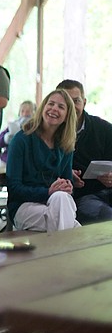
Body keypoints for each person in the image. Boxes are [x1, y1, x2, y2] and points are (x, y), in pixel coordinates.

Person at [6, 89, 80, 232]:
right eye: (50, 104)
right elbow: (14, 188)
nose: (54, 109)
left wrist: (67, 187)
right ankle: (63, 250)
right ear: (43, 108)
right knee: (77, 232)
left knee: (61, 198)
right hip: (24, 206)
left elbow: (66, 186)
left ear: (67, 116)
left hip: (56, 204)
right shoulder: (21, 140)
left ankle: (57, 252)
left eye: (61, 107)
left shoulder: (66, 145)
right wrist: (48, 191)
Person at [56, 80, 112, 225]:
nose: (72, 106)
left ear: (84, 102)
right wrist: (67, 174)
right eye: (67, 101)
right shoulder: (50, 132)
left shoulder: (104, 129)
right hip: (80, 197)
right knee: (107, 216)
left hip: (107, 190)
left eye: (76, 101)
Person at [0, 100, 35, 164]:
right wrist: (6, 138)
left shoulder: (36, 128)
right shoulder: (13, 125)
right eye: (22, 111)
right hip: (7, 158)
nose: (25, 114)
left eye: (28, 112)